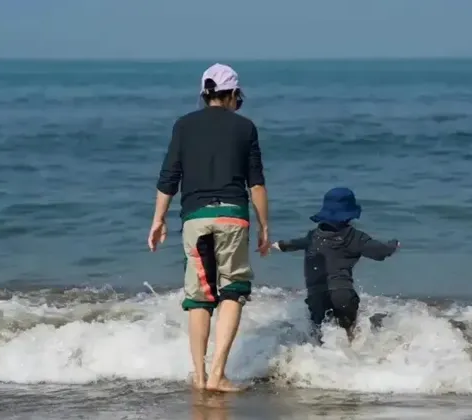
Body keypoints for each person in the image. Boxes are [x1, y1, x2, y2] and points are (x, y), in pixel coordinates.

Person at [148, 63, 270, 393]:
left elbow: (168, 177)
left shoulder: (183, 126)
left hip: (195, 218)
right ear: (232, 95)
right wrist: (264, 225)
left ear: (205, 95)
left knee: (199, 297)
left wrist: (158, 220)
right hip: (233, 216)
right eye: (237, 98)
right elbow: (256, 183)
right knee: (233, 290)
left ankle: (199, 378)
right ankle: (218, 374)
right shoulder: (246, 129)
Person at [271, 187, 398, 342]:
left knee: (318, 339)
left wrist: (276, 245)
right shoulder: (354, 237)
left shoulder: (313, 237)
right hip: (343, 295)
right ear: (350, 213)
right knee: (348, 337)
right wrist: (394, 245)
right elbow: (380, 251)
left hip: (316, 297)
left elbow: (292, 244)